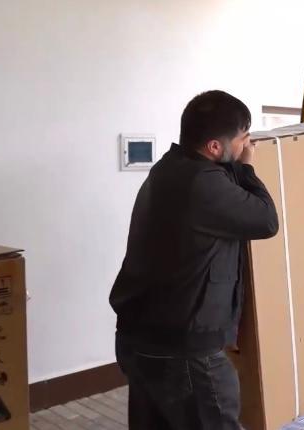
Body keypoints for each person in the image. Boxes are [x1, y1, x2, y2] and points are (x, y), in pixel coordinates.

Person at [109, 90, 279, 429]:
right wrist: (246, 168)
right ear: (214, 147)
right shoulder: (203, 184)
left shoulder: (167, 169)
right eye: (243, 138)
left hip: (139, 339)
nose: (247, 145)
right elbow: (266, 220)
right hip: (184, 354)